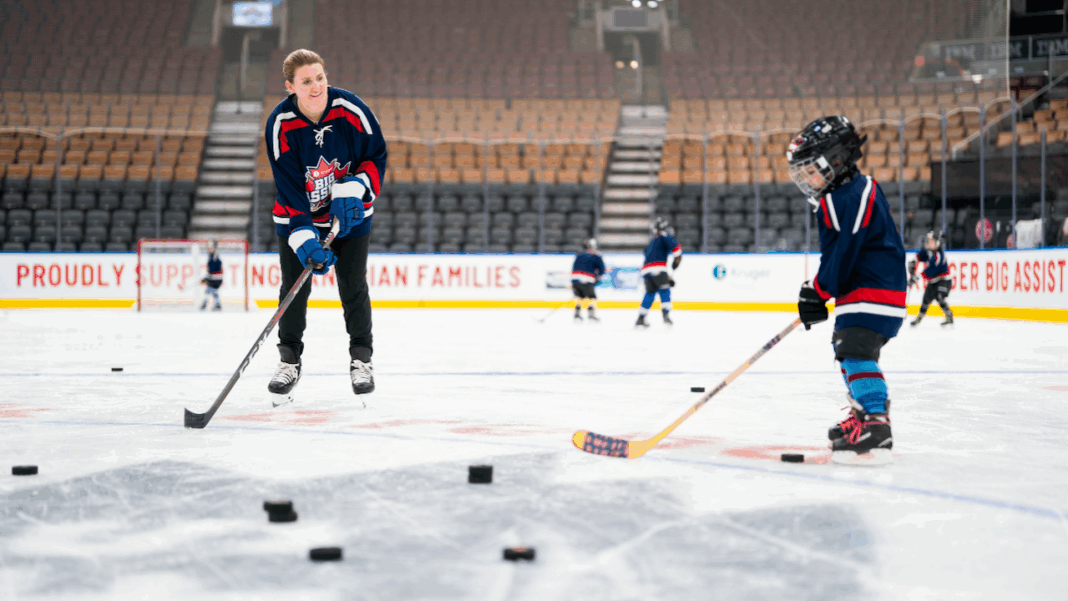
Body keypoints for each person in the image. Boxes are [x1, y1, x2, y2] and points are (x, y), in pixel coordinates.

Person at [264, 49, 387, 400]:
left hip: (349, 215)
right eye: (306, 81)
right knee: (294, 288)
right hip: (297, 216)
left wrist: (357, 186)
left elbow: (376, 155)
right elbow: (287, 184)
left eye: (319, 77)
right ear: (291, 86)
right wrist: (303, 233)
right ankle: (289, 361)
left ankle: (361, 360)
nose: (316, 86)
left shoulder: (351, 109)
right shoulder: (280, 123)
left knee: (352, 286)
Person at [788, 115, 906, 465]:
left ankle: (876, 423)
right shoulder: (839, 195)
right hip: (862, 290)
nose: (809, 178)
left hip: (875, 289)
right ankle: (861, 417)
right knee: (848, 349)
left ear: (837, 160)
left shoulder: (857, 192)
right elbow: (838, 253)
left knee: (855, 350)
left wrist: (819, 289)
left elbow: (847, 247)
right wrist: (818, 290)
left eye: (814, 169)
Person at [636, 217, 681, 328]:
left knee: (650, 293)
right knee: (664, 291)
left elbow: (647, 254)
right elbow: (677, 249)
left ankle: (641, 318)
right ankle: (666, 316)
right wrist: (677, 261)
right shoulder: (663, 236)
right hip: (658, 269)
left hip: (646, 271)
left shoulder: (651, 241)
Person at [909, 231, 954, 327]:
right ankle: (919, 318)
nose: (930, 243)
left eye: (932, 242)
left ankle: (949, 317)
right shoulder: (928, 251)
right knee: (926, 300)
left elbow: (931, 270)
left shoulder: (939, 256)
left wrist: (916, 277)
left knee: (940, 297)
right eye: (929, 241)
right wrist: (913, 261)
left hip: (944, 280)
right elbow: (920, 256)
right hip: (932, 282)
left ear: (937, 243)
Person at [570, 238, 607, 321]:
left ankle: (577, 314)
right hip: (587, 278)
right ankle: (591, 314)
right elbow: (601, 269)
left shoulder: (579, 254)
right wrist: (598, 277)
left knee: (579, 296)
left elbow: (574, 267)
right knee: (592, 297)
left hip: (575, 278)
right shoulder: (596, 255)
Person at [199, 239, 223, 311]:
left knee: (211, 289)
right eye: (209, 248)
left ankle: (208, 304)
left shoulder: (214, 256)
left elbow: (213, 269)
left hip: (216, 278)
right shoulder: (211, 255)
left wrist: (207, 277)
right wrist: (207, 277)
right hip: (214, 277)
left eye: (211, 248)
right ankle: (216, 304)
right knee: (211, 290)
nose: (210, 249)